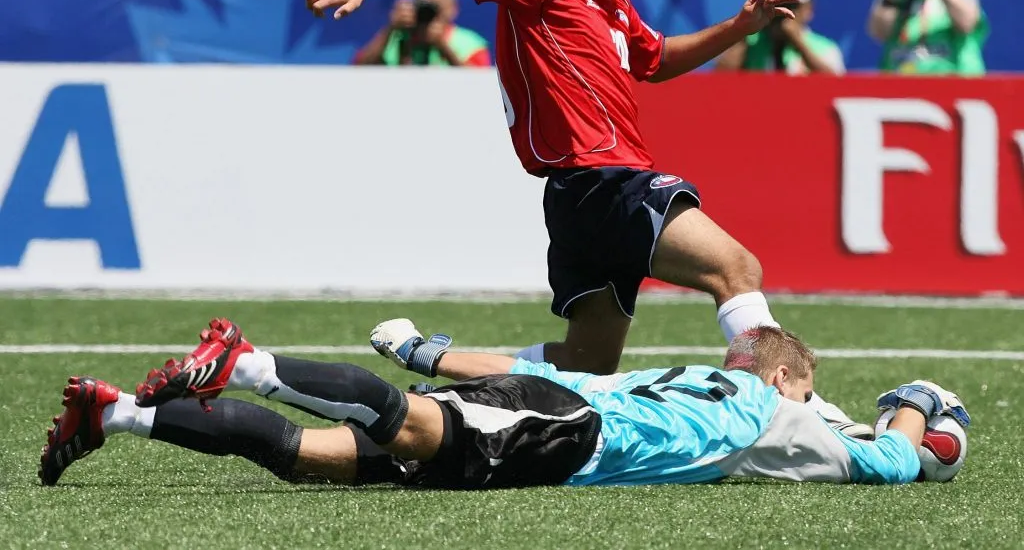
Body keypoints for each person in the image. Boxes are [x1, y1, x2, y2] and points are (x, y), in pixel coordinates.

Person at [304, 0, 862, 431]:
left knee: (585, 365)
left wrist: (740, 26)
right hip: (601, 179)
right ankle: (792, 410)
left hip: (581, 194)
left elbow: (656, 60)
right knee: (736, 268)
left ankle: (440, 379)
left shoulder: (612, 1)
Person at [39, 317, 971, 489]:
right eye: (810, 388)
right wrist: (925, 405)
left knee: (322, 458)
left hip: (554, 400)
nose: (818, 405)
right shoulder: (778, 412)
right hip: (573, 434)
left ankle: (114, 414)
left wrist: (427, 352)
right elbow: (897, 458)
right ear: (785, 379)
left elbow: (519, 362)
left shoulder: (682, 374)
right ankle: (244, 360)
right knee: (410, 426)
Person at [717, 0, 844, 74]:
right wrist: (745, 30)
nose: (784, 11)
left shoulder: (825, 49)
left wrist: (797, 42)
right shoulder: (751, 42)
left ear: (808, 9)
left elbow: (836, 88)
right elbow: (720, 80)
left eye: (792, 6)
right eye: (778, 3)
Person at [354, 0, 492, 67]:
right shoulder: (393, 39)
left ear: (452, 9)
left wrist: (443, 47)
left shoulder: (470, 46)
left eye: (436, 9)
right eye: (424, 7)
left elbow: (480, 88)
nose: (429, 15)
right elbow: (357, 73)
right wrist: (390, 29)